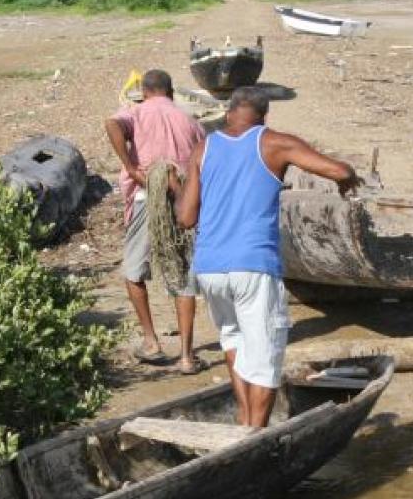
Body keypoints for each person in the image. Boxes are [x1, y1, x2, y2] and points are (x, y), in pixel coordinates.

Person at [175, 87, 358, 427]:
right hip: (253, 266)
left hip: (210, 268)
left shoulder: (203, 148)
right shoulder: (273, 142)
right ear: (264, 116)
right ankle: (256, 436)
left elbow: (185, 217)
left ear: (228, 112)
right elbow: (339, 171)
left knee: (234, 343)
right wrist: (350, 179)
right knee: (264, 356)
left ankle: (245, 423)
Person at [104, 69, 206, 374]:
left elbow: (111, 124)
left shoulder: (135, 111)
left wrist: (133, 168)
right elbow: (202, 164)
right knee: (183, 275)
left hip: (145, 199)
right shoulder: (191, 121)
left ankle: (151, 342)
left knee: (134, 271)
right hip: (182, 202)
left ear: (145, 92)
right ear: (171, 93)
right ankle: (187, 357)